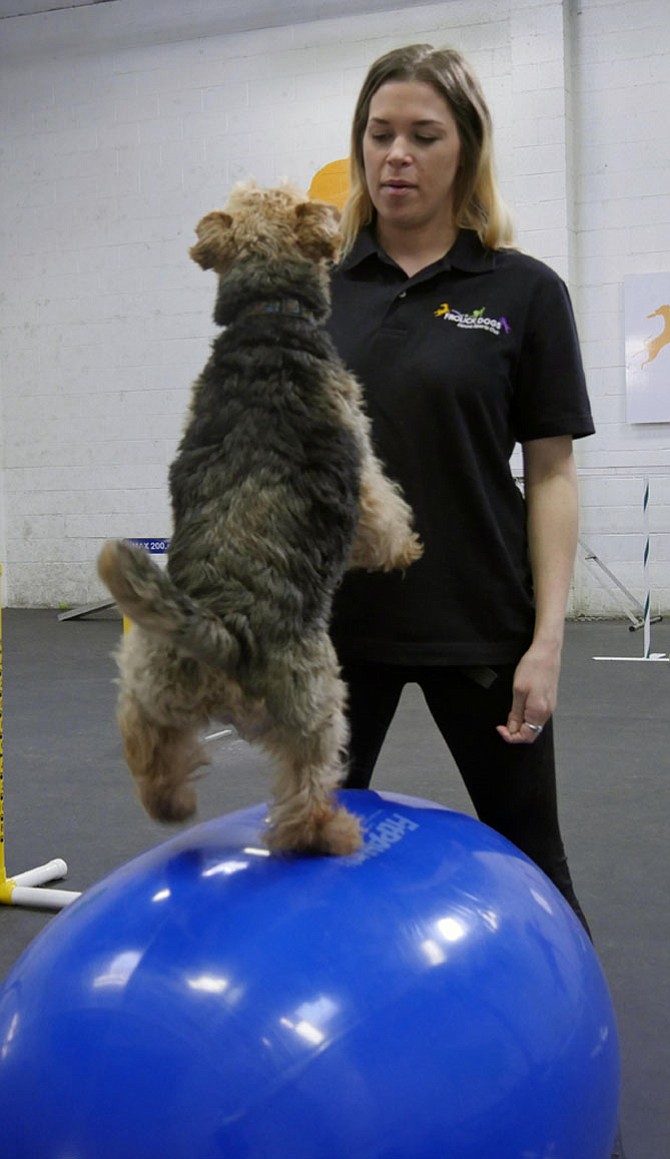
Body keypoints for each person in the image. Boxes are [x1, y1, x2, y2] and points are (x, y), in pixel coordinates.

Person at [327, 43, 594, 925]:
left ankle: (575, 1050)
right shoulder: (316, 293)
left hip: (482, 624)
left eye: (423, 135)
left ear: (467, 150)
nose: (396, 154)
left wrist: (546, 641)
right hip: (338, 632)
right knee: (308, 857)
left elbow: (551, 474)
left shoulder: (523, 290)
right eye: (380, 133)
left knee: (534, 869)